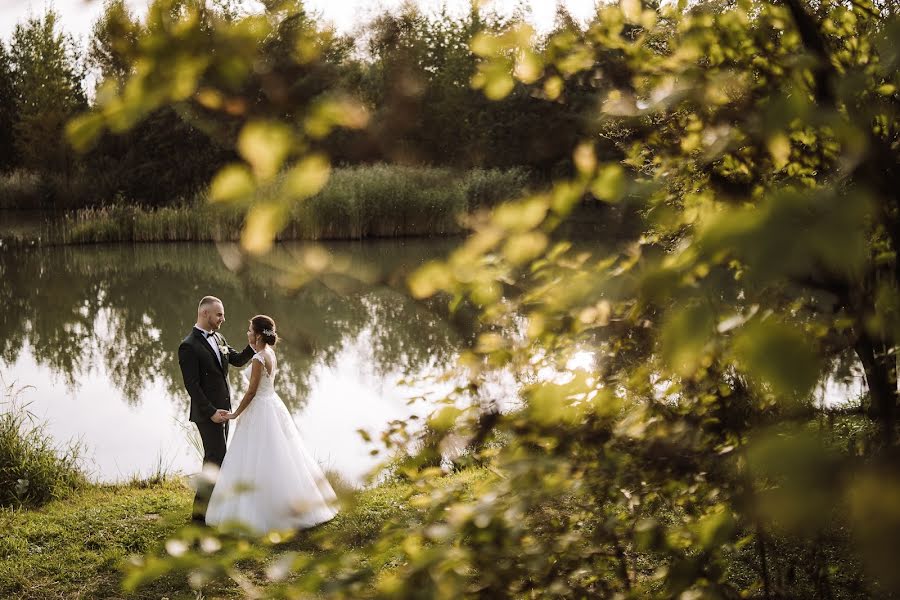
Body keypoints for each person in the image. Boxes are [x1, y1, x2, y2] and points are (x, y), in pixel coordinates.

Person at [205, 315, 338, 534]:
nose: (247, 333)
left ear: (257, 334)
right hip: (273, 404)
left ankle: (261, 513)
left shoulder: (258, 359)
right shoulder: (269, 353)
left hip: (260, 408)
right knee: (280, 455)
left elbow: (251, 392)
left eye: (250, 330)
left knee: (256, 457)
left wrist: (235, 413)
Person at [178, 295, 255, 523]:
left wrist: (255, 344)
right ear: (205, 314)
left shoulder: (219, 337)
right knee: (215, 461)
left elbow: (239, 360)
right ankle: (199, 518)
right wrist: (211, 411)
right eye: (219, 314)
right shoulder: (188, 346)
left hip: (225, 411)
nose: (223, 318)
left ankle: (213, 512)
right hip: (207, 414)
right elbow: (192, 386)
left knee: (218, 460)